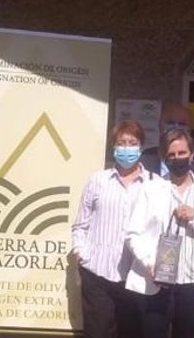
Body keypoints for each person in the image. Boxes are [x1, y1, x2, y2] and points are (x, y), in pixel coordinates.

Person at [126, 128, 194, 338]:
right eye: (171, 155)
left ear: (192, 155)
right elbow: (133, 234)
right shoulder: (150, 190)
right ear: (164, 158)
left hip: (193, 284)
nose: (177, 158)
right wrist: (149, 263)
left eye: (182, 153)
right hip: (156, 281)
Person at [71, 121, 157, 338]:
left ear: (141, 147)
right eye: (121, 143)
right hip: (97, 273)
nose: (127, 148)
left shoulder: (154, 183)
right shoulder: (97, 181)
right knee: (98, 333)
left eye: (132, 143)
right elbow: (80, 224)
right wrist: (80, 252)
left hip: (135, 276)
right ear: (114, 146)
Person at [143, 102, 193, 177]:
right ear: (160, 126)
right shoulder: (143, 161)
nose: (176, 127)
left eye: (182, 124)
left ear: (190, 129)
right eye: (171, 122)